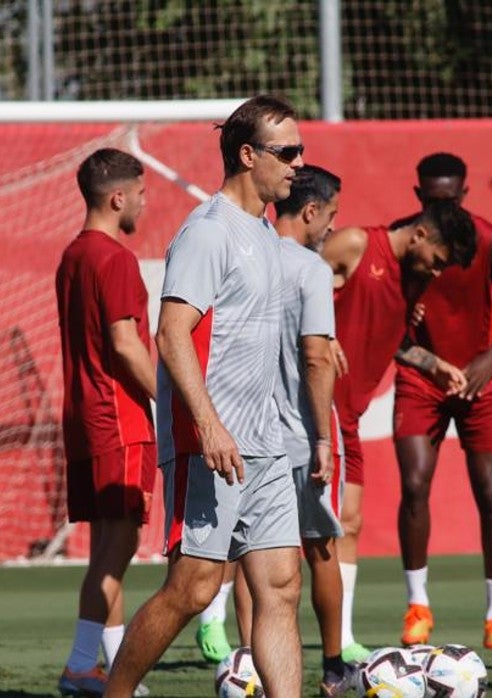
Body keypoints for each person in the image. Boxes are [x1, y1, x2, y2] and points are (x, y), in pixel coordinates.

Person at [104, 95, 306, 698]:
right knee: (194, 588)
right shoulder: (209, 231)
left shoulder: (266, 232)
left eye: (300, 151)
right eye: (286, 151)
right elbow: (171, 334)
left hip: (265, 444)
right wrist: (211, 425)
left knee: (281, 586)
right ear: (248, 155)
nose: (297, 163)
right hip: (209, 442)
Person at [389, 152, 492, 651]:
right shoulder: (403, 239)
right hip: (422, 379)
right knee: (414, 485)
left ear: (464, 194)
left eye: (450, 199)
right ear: (419, 198)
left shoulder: (491, 240)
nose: (442, 208)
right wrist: (417, 354)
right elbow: (385, 315)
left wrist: (488, 359)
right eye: (434, 200)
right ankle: (418, 607)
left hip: (482, 383)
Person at [319, 188, 476, 663]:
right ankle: (225, 627)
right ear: (421, 233)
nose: (436, 270)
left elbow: (392, 340)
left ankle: (343, 642)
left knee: (349, 522)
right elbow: (285, 293)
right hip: (312, 407)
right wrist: (319, 338)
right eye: (437, 260)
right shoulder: (355, 245)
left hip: (348, 417)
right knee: (276, 534)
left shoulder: (413, 282)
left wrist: (435, 364)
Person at [53, 148, 157, 696]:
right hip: (119, 420)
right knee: (116, 554)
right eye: (140, 193)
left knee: (105, 553)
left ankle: (111, 670)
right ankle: (78, 665)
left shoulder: (73, 255)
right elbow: (125, 345)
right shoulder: (115, 259)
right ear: (118, 198)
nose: (145, 202)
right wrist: (176, 395)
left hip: (85, 421)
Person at [266, 164, 352, 694]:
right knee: (320, 548)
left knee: (256, 553)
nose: (333, 228)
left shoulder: (243, 256)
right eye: (333, 215)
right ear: (312, 210)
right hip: (301, 432)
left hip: (248, 432)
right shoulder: (310, 268)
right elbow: (317, 359)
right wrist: (323, 437)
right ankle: (333, 666)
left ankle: (251, 664)